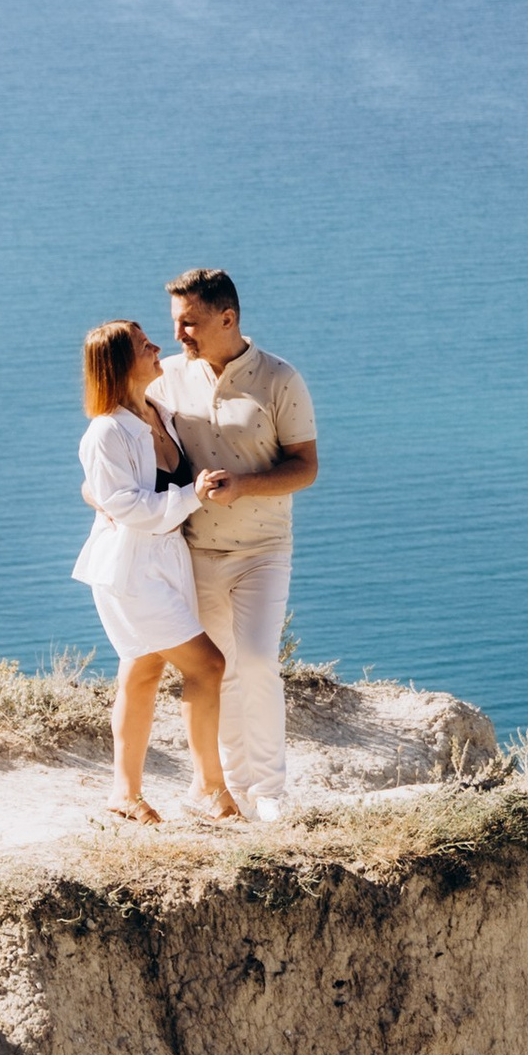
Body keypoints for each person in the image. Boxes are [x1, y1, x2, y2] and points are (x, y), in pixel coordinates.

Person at [148, 266, 319, 822]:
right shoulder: (166, 378)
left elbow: (305, 468)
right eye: (176, 323)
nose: (179, 335)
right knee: (218, 670)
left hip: (263, 550)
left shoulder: (280, 379)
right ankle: (230, 786)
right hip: (193, 552)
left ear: (228, 318)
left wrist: (244, 485)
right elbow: (120, 430)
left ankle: (269, 791)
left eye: (190, 323)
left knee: (258, 661)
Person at [71, 320, 243, 826]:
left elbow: (111, 493)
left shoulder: (160, 413)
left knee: (143, 671)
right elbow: (128, 507)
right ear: (122, 362)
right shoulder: (105, 431)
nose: (157, 348)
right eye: (145, 345)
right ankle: (210, 789)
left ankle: (125, 794)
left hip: (168, 560)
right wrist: (193, 493)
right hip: (132, 569)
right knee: (207, 665)